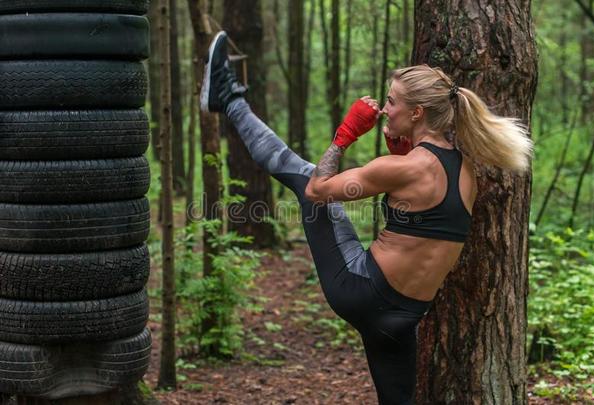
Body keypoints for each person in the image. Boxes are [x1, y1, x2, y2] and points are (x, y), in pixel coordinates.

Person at [200, 31, 532, 405]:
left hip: (360, 290)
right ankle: (227, 97)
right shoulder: (466, 168)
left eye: (391, 102)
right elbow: (422, 217)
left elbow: (317, 189)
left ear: (417, 112)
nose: (385, 109)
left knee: (303, 174)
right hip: (404, 318)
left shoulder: (405, 168)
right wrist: (401, 151)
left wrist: (345, 135)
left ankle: (228, 99)